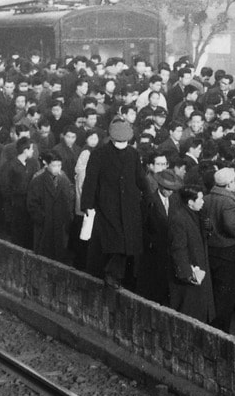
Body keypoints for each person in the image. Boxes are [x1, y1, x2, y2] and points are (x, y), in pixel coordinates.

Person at [80, 117, 146, 289]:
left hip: (129, 205)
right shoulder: (99, 154)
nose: (122, 142)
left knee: (125, 241)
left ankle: (115, 275)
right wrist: (87, 204)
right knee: (113, 240)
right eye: (119, 139)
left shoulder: (133, 154)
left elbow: (140, 178)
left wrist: (149, 196)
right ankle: (110, 274)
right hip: (107, 204)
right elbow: (90, 181)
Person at [204, 166, 235, 333]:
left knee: (214, 291)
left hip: (211, 248)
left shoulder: (207, 198)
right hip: (226, 251)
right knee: (225, 293)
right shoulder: (228, 202)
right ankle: (222, 329)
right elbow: (232, 225)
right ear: (229, 184)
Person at [167, 185, 216, 324]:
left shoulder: (196, 215)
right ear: (190, 202)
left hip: (199, 271)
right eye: (200, 199)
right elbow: (178, 249)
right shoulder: (179, 219)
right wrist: (187, 273)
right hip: (191, 275)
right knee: (191, 313)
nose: (203, 201)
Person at [136, 169, 182, 305]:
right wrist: (150, 242)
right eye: (168, 189)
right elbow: (141, 226)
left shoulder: (175, 200)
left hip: (169, 250)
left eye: (172, 189)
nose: (170, 192)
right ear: (160, 186)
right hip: (153, 251)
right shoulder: (149, 201)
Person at [27, 151, 75, 265]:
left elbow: (70, 198)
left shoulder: (64, 179)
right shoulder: (38, 180)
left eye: (59, 165)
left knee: (60, 255)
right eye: (54, 165)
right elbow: (32, 204)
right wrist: (42, 219)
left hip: (60, 224)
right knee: (44, 256)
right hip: (45, 225)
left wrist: (68, 218)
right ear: (46, 165)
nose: (57, 168)